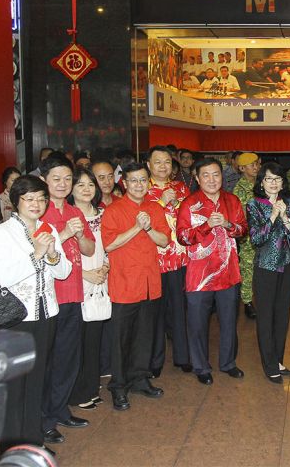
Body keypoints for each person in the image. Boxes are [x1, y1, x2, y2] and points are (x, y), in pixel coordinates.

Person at [0, 175, 72, 449]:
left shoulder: (49, 229)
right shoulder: (2, 232)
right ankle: (12, 445)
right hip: (16, 318)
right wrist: (36, 253)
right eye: (29, 198)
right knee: (15, 385)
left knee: (37, 380)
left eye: (41, 199)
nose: (36, 204)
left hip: (46, 314)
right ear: (17, 201)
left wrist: (52, 254)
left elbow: (63, 272)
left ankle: (34, 441)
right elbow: (1, 276)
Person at [102, 162, 170, 411]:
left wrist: (149, 227)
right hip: (124, 283)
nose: (139, 185)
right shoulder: (114, 210)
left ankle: (140, 378)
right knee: (121, 339)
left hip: (150, 282)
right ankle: (118, 385)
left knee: (145, 335)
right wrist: (136, 227)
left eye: (143, 180)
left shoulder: (155, 208)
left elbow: (164, 241)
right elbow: (109, 244)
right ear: (125, 183)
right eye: (134, 180)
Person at [38, 153, 95, 443]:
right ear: (44, 180)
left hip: (74, 293)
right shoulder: (38, 212)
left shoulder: (75, 212)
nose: (62, 184)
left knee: (68, 357)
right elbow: (35, 254)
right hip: (49, 299)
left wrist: (79, 234)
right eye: (56, 178)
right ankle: (44, 419)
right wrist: (63, 233)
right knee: (48, 361)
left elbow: (88, 249)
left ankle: (60, 410)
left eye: (67, 179)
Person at [177, 158, 247, 385]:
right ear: (197, 178)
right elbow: (183, 237)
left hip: (228, 272)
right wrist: (207, 225)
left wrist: (227, 224)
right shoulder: (189, 204)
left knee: (229, 321)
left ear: (222, 176)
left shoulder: (232, 201)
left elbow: (243, 230)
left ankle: (228, 363)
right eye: (205, 175)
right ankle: (201, 366)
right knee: (197, 324)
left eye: (216, 174)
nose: (211, 179)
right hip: (200, 275)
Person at [246, 162, 290, 383]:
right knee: (266, 316)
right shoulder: (254, 205)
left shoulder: (289, 202)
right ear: (262, 182)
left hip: (287, 264)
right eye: (269, 179)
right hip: (266, 266)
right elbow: (256, 238)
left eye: (277, 179)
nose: (274, 183)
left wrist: (286, 219)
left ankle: (277, 359)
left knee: (282, 315)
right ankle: (269, 364)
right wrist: (273, 216)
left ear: (283, 182)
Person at [144, 146, 192, 379]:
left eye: (167, 162)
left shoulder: (181, 188)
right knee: (156, 312)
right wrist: (161, 203)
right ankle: (155, 360)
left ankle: (183, 356)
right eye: (158, 162)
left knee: (180, 309)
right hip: (154, 260)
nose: (163, 166)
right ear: (148, 165)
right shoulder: (142, 189)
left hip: (180, 258)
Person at [67, 167, 109, 412]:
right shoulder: (68, 216)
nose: (86, 189)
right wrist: (85, 274)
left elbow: (108, 246)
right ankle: (77, 391)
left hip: (101, 279)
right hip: (76, 281)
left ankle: (91, 387)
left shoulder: (103, 214)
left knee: (94, 338)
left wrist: (105, 267)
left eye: (90, 184)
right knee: (77, 340)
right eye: (80, 184)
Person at [233, 152, 261, 319]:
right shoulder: (239, 189)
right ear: (242, 168)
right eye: (252, 165)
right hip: (249, 237)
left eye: (257, 164)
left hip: (264, 235)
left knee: (263, 269)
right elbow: (240, 217)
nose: (256, 167)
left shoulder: (262, 184)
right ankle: (247, 302)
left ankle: (262, 298)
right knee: (248, 269)